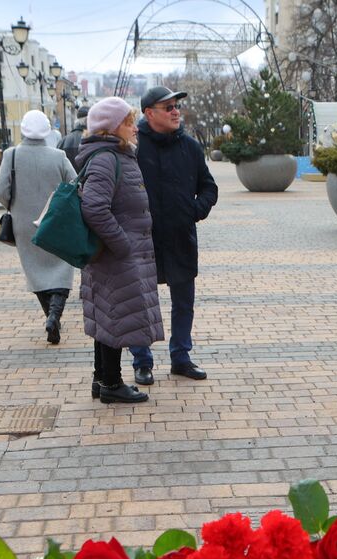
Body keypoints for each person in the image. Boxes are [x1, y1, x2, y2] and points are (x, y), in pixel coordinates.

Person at [129, 84, 218, 385]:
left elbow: (209, 187)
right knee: (141, 303)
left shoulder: (190, 147)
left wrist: (193, 211)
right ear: (148, 113)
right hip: (143, 240)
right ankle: (142, 361)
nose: (176, 111)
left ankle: (181, 357)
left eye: (177, 106)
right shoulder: (133, 147)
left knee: (184, 303)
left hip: (180, 238)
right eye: (168, 107)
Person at [76, 97, 163, 405]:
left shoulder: (115, 155)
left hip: (114, 254)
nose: (134, 128)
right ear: (110, 128)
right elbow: (95, 208)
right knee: (116, 316)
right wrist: (122, 243)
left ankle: (102, 379)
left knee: (108, 315)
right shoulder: (106, 159)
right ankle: (112, 382)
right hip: (116, 255)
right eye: (128, 123)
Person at [0, 110, 77, 344]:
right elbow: (75, 184)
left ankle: (51, 316)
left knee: (35, 271)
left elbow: (1, 192)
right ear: (47, 130)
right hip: (55, 220)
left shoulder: (11, 155)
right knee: (62, 266)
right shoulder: (58, 156)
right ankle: (54, 315)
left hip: (23, 222)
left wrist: (16, 205)